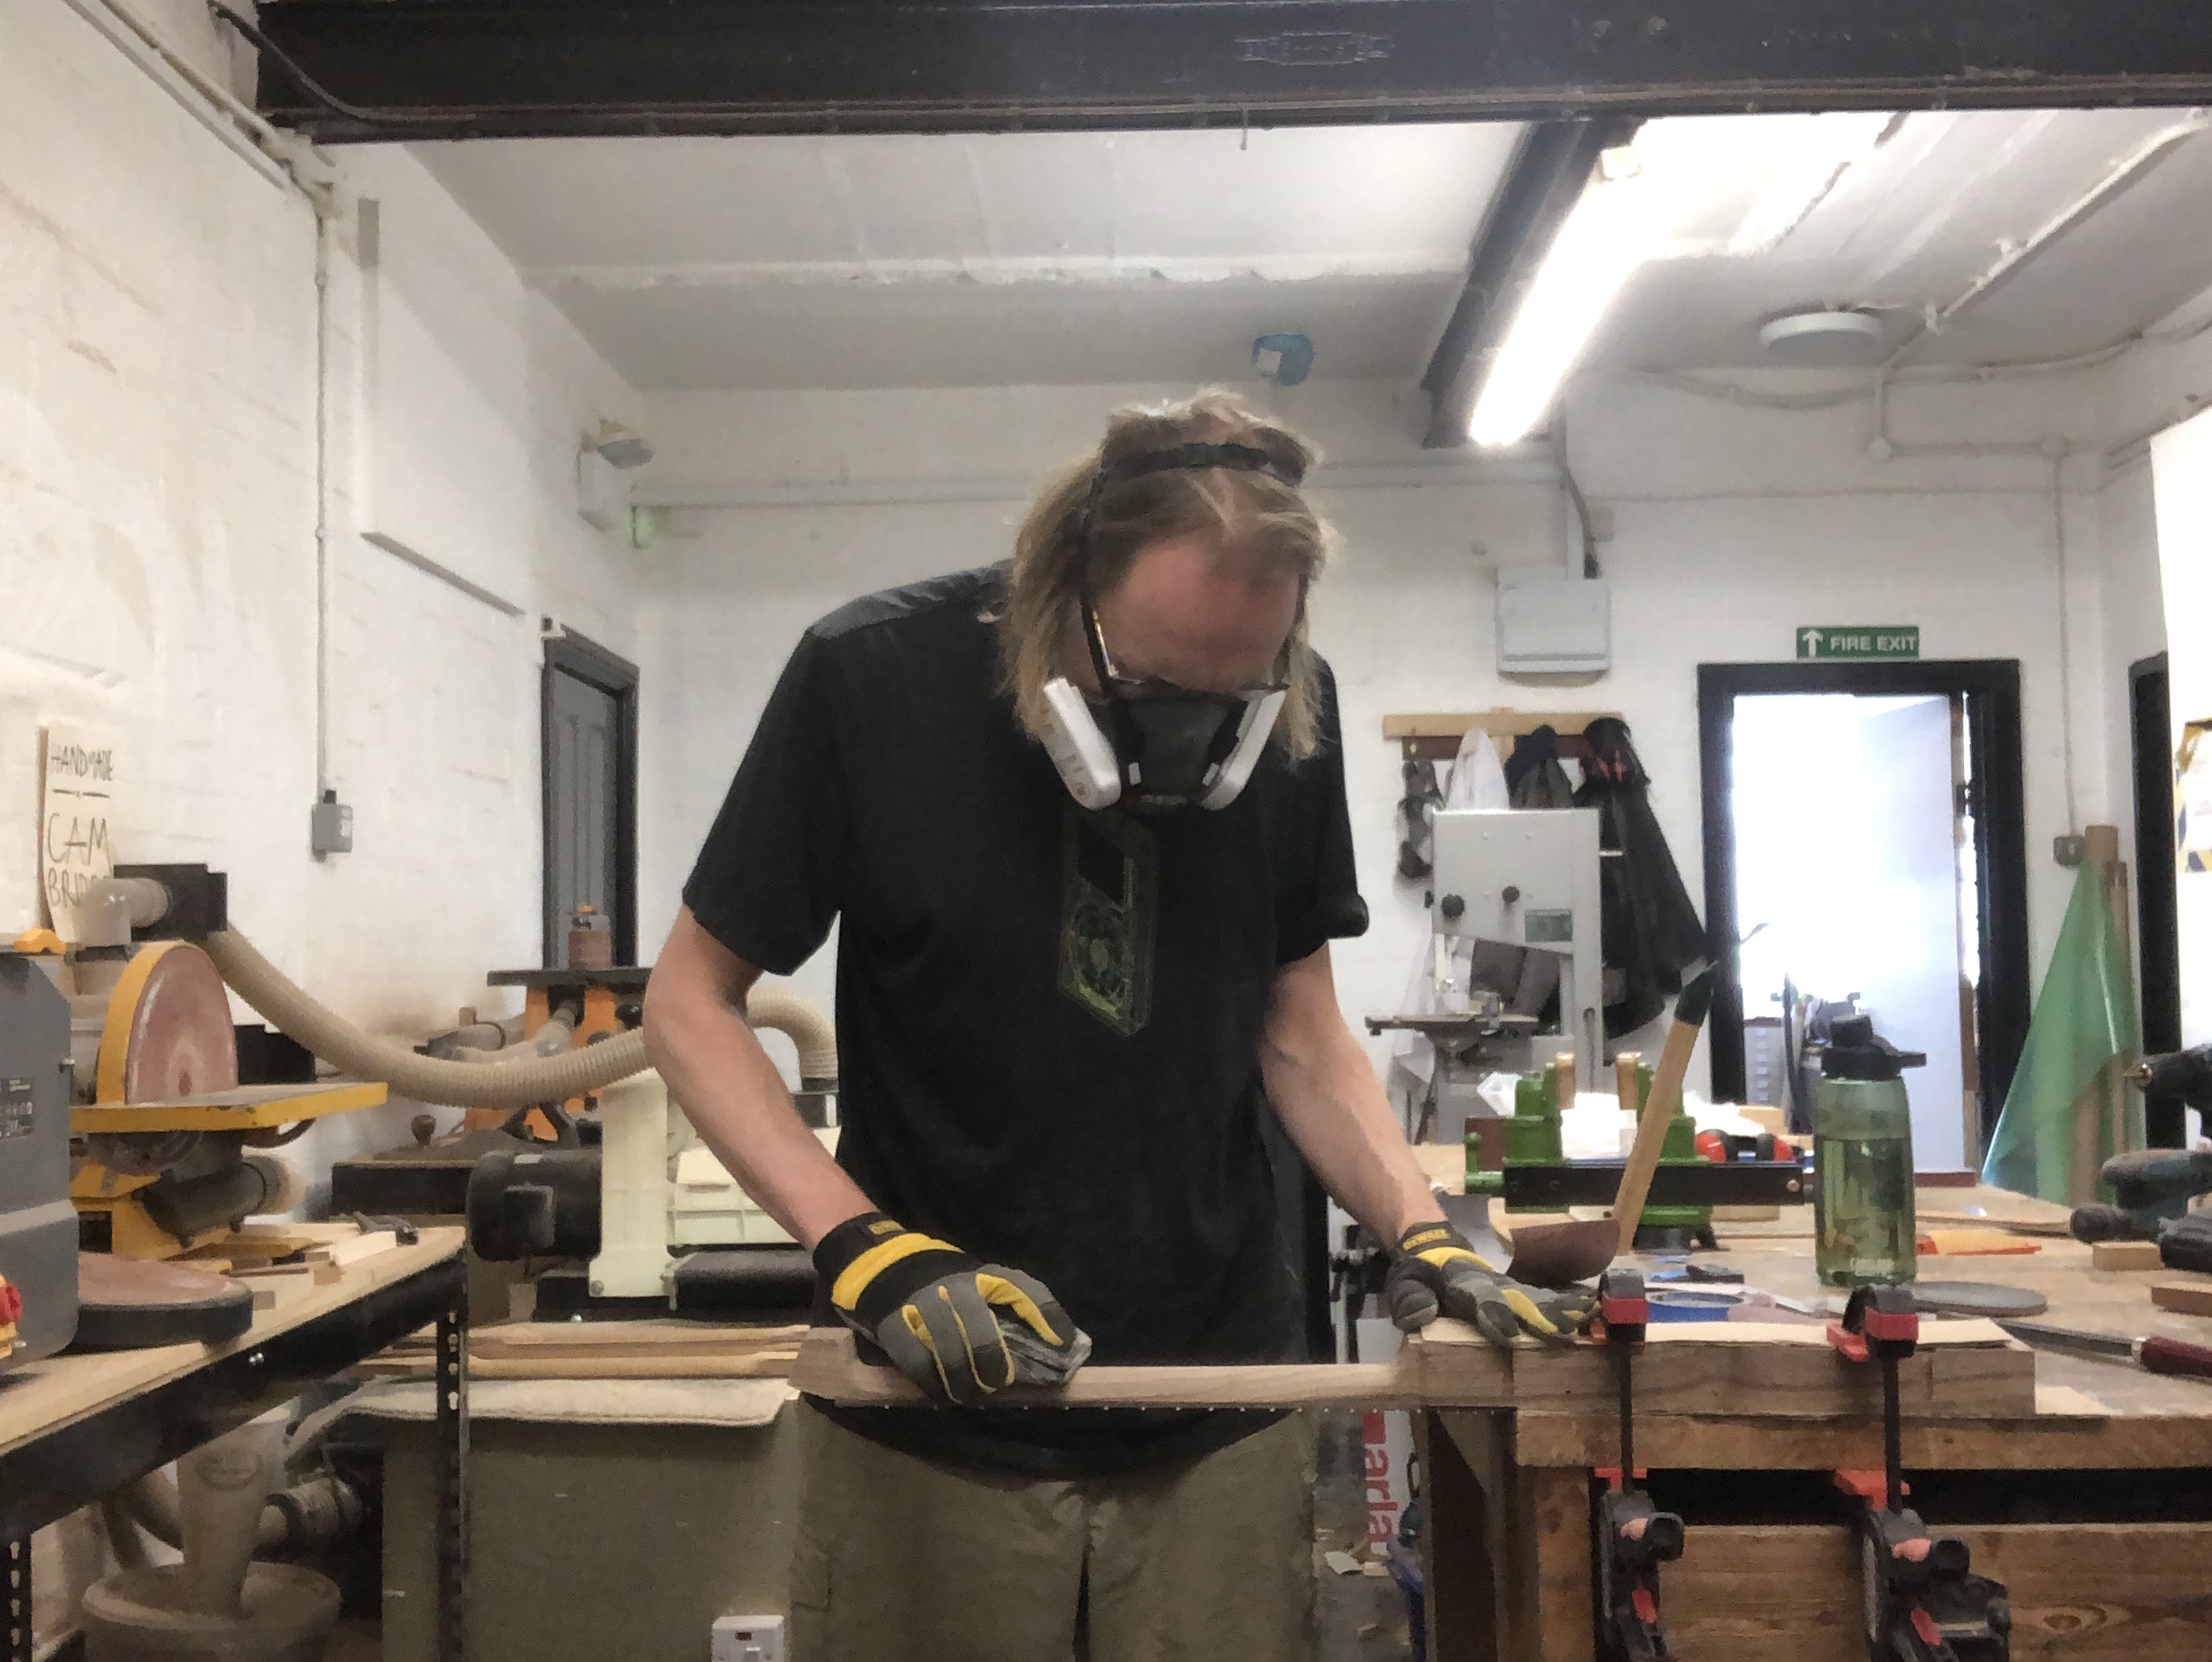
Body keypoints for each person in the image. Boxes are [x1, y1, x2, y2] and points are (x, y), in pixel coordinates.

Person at [641, 389, 1595, 1662]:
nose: (1191, 732)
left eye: (1233, 687)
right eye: (1149, 682)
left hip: (1219, 1408)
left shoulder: (1291, 710)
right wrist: (864, 1250)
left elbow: (1298, 1025)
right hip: (935, 1408)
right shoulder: (871, 680)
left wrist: (1429, 1234)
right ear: (1059, 587)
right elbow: (688, 1002)